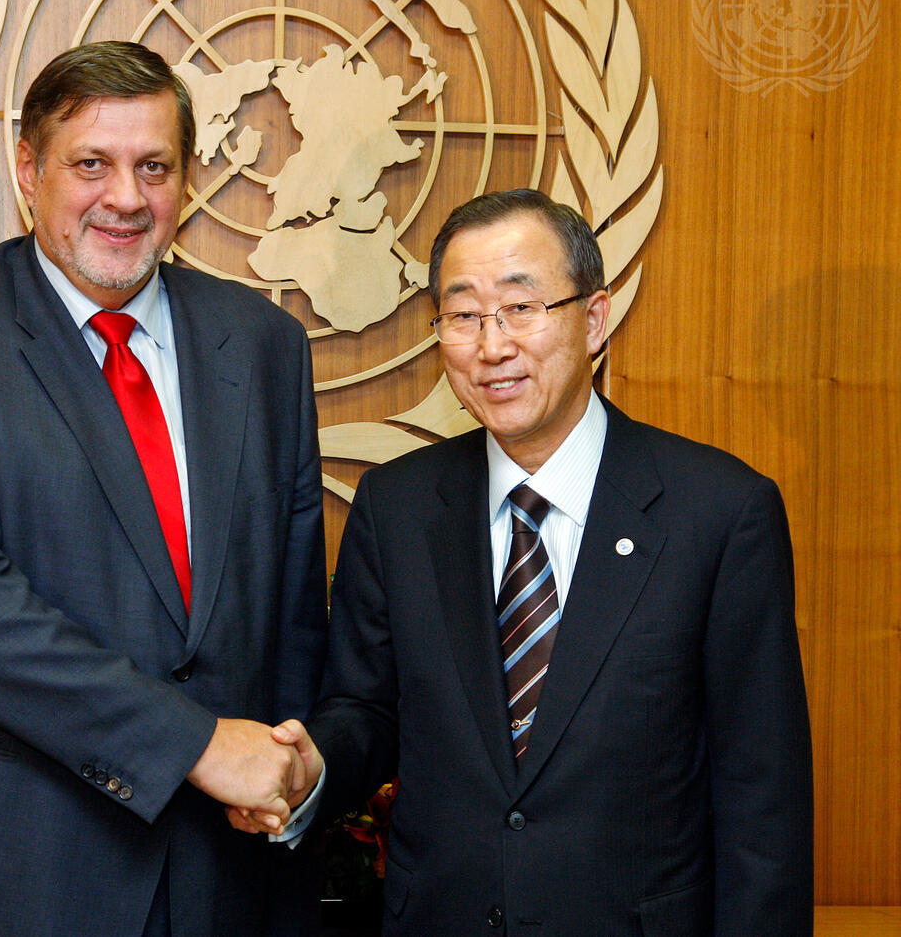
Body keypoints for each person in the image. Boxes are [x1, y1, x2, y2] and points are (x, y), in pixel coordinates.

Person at [0, 41, 328, 937]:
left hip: (214, 872)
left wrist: (287, 776)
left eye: (154, 167)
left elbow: (289, 610)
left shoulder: (263, 343)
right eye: (92, 164)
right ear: (29, 171)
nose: (126, 197)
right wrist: (195, 745)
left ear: (187, 180)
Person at [243, 189, 813, 934]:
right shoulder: (398, 506)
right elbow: (368, 708)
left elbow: (762, 796)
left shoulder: (719, 513)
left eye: (521, 307)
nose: (492, 346)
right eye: (464, 315)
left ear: (594, 319)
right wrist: (310, 766)